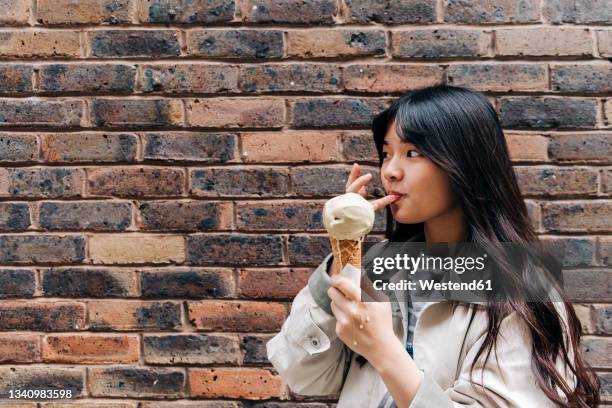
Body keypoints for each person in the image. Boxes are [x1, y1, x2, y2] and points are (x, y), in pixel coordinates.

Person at [266, 85, 600, 407]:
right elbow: (302, 376)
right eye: (386, 154)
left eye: (412, 153)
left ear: (464, 162)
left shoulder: (521, 289)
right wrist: (343, 256)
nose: (390, 172)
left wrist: (384, 351)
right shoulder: (379, 269)